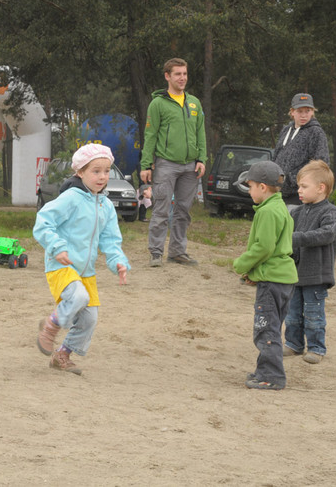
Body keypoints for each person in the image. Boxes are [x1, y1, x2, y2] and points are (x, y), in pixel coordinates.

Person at [34, 143, 130, 375]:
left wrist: (118, 261)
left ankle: (63, 355)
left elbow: (110, 240)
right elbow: (43, 222)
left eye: (106, 171)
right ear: (80, 172)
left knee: (90, 319)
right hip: (61, 265)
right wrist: (57, 247)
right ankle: (51, 326)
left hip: (86, 272)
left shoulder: (106, 206)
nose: (102, 176)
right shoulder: (71, 198)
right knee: (78, 296)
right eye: (95, 171)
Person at [232, 161, 298, 390]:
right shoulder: (279, 207)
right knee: (270, 327)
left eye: (249, 186)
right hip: (282, 279)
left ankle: (273, 377)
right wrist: (253, 273)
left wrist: (241, 264)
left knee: (265, 330)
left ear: (262, 187)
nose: (248, 191)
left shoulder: (268, 211)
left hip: (273, 281)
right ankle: (264, 371)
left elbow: (264, 248)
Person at [139, 57, 207, 267]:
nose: (182, 78)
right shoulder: (158, 103)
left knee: (183, 211)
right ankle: (156, 252)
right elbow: (150, 135)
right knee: (161, 209)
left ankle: (178, 251)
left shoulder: (194, 102)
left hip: (190, 166)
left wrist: (202, 159)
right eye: (177, 74)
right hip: (165, 164)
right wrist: (145, 164)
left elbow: (200, 132)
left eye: (184, 74)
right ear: (167, 76)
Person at [283, 160, 336, 364]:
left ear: (321, 188)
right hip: (294, 274)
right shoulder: (297, 212)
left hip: (316, 275)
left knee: (314, 315)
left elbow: (326, 234)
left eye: (304, 186)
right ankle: (293, 344)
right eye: (299, 186)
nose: (299, 190)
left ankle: (316, 347)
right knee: (292, 313)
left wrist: (296, 238)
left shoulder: (330, 212)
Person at [271, 93, 330, 206]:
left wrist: (294, 180)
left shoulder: (316, 132)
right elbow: (276, 156)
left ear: (312, 112)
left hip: (299, 196)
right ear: (292, 112)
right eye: (299, 111)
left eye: (307, 111)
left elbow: (322, 165)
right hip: (279, 193)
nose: (303, 115)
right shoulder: (285, 130)